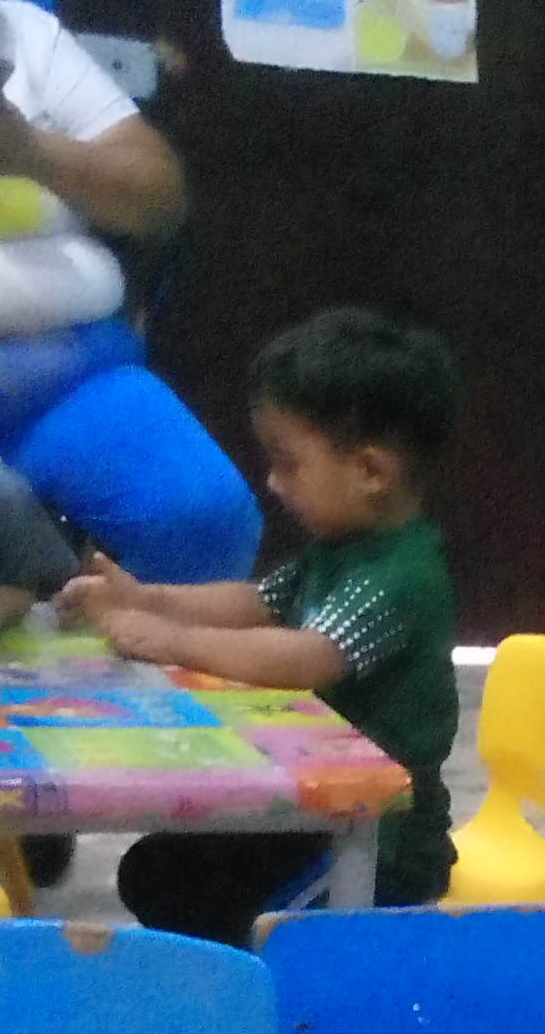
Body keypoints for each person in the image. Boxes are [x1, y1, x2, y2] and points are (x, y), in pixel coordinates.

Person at [67, 307, 461, 936]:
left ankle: (258, 993)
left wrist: (170, 640)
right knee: (155, 870)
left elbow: (305, 657)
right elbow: (258, 602)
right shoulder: (339, 552)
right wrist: (144, 597)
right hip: (310, 809)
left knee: (210, 907)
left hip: (377, 844)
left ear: (371, 472)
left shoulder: (400, 576)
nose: (273, 483)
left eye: (288, 462)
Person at [0, 0, 259, 585]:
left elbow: (158, 197)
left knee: (206, 517)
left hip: (65, 370)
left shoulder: (24, 32)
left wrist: (31, 152)